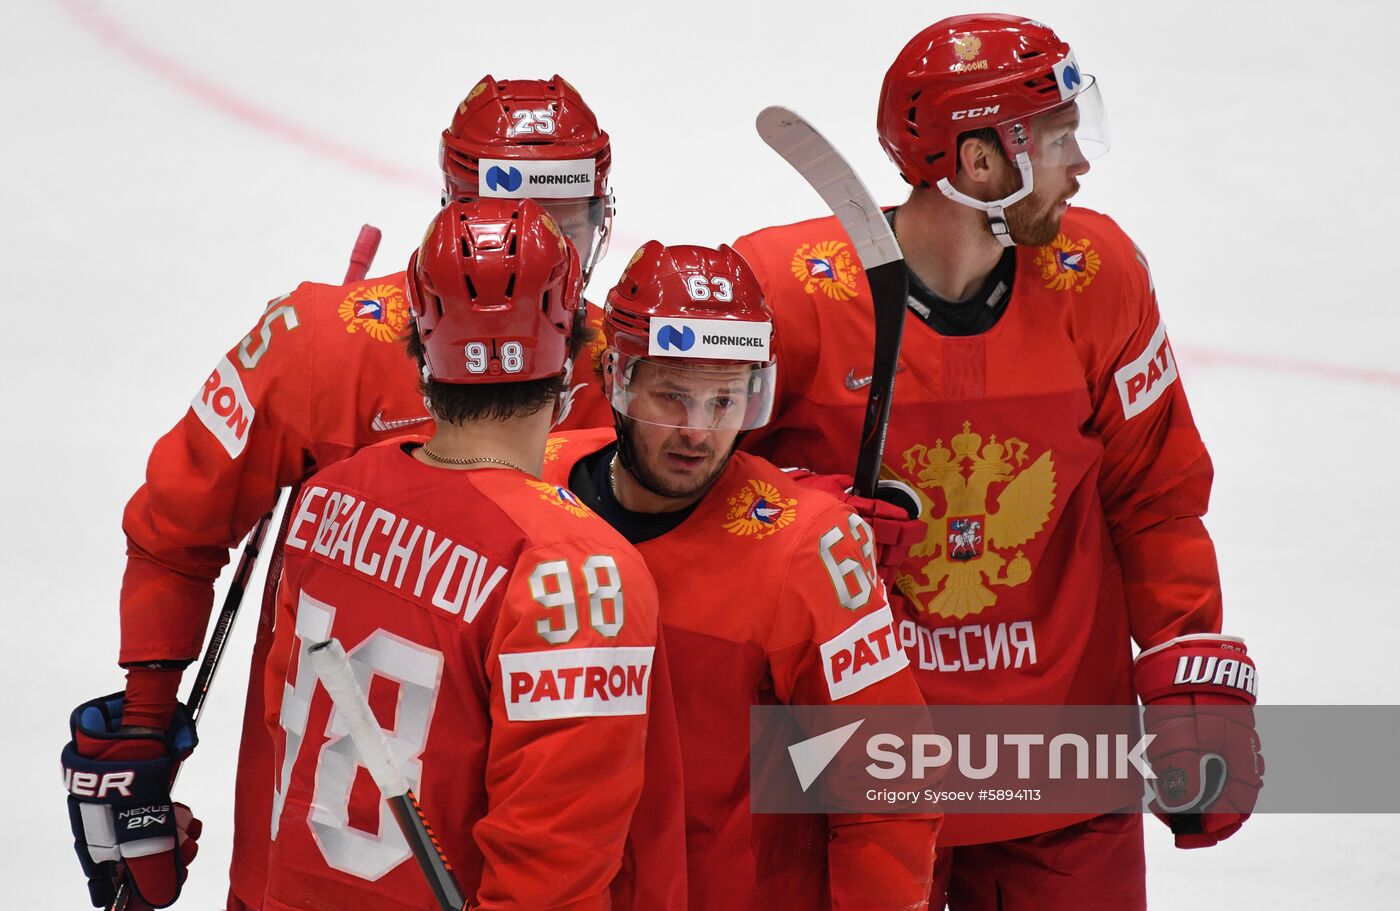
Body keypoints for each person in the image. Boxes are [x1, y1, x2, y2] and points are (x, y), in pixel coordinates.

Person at [60, 76, 664, 911]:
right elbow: (175, 526)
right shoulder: (323, 345)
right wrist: (143, 722)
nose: (535, 243)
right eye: (508, 212)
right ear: (456, 207)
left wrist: (798, 521)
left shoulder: (632, 370)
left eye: (560, 218)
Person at [731, 14, 1262, 909]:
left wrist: (1185, 655)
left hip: (1060, 770)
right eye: (1059, 140)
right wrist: (799, 516)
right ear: (982, 163)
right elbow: (664, 488)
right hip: (857, 775)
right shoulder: (791, 294)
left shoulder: (1100, 276)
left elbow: (1156, 498)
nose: (1081, 164)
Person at [257, 198, 661, 910]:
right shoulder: (573, 565)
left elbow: (278, 725)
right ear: (572, 353)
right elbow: (553, 879)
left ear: (419, 345)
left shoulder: (327, 497)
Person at [542, 241, 941, 910]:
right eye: (672, 396)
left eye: (726, 399)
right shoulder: (531, 486)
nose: (699, 431)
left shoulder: (805, 549)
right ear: (617, 377)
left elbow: (889, 784)